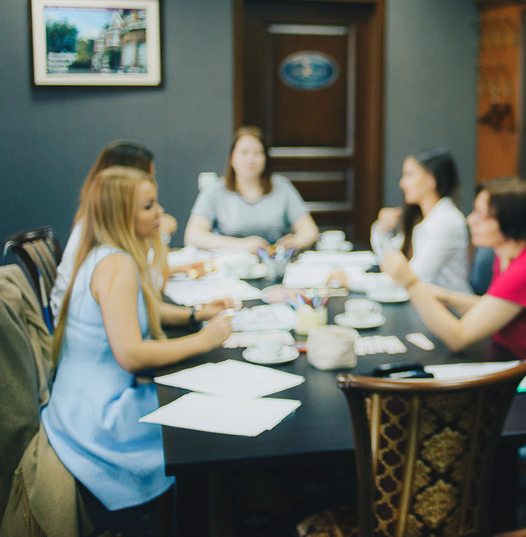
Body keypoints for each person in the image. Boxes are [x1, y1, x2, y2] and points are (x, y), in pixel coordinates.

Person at [41, 166, 233, 512]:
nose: (160, 212)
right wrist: (206, 340)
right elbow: (130, 354)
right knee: (204, 421)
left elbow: (138, 309)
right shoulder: (118, 265)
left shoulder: (103, 253)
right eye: (148, 206)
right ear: (120, 215)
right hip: (100, 420)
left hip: (74, 406)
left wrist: (194, 315)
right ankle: (215, 508)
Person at [381, 178, 526, 399]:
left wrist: (411, 283)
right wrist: (447, 297)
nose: (470, 220)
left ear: (508, 222)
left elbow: (458, 338)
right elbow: (497, 307)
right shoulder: (510, 253)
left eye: (481, 215)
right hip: (518, 368)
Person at [51, 140, 212, 322]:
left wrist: (177, 270)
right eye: (148, 204)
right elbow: (154, 287)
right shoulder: (113, 261)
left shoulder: (97, 228)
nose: (159, 211)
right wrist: (162, 235)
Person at [184, 126, 319, 254]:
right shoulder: (214, 191)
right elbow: (192, 237)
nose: (250, 159)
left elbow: (310, 230)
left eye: (257, 153)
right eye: (244, 153)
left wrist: (295, 242)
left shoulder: (282, 187)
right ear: (232, 158)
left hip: (273, 262)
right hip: (229, 262)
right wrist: (241, 245)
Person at [371, 148, 472, 293]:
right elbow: (390, 262)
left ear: (431, 179)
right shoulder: (420, 217)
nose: (402, 183)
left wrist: (352, 281)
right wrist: (381, 229)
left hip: (446, 305)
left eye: (409, 175)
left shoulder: (447, 221)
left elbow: (411, 278)